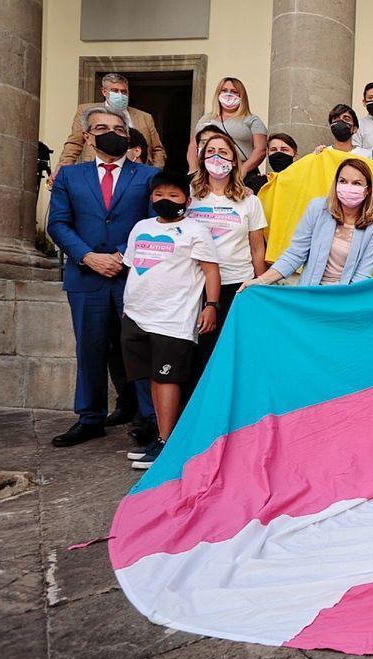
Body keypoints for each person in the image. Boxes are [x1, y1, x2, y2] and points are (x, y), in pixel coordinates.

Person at [47, 105, 160, 448]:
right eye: (102, 127)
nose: (112, 133)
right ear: (87, 136)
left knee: (138, 349)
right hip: (86, 277)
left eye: (119, 128)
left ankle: (147, 418)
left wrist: (122, 256)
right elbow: (58, 224)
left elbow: (154, 224)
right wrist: (88, 257)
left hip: (132, 276)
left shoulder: (147, 176)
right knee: (90, 348)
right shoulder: (69, 176)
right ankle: (90, 417)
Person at [121, 172, 220, 469]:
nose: (165, 200)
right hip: (137, 316)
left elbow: (211, 271)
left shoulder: (195, 230)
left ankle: (168, 444)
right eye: (159, 195)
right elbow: (132, 266)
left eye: (174, 196)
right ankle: (162, 438)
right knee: (152, 378)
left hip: (173, 319)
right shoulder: (141, 227)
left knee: (167, 379)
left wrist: (211, 305)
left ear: (187, 201)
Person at [187, 131, 268, 377]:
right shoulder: (189, 196)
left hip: (235, 283)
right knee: (196, 354)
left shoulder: (248, 200)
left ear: (234, 160)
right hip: (194, 284)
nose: (216, 157)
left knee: (229, 353)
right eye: (210, 152)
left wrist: (260, 284)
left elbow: (257, 247)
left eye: (223, 152)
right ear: (201, 158)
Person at [243, 158, 373, 287]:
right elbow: (295, 253)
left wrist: (335, 298)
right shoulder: (318, 208)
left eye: (356, 183)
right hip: (309, 294)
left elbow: (362, 275)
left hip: (344, 299)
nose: (348, 187)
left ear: (368, 190)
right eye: (343, 181)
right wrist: (261, 281)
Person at [55, 73, 165, 178]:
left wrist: (156, 172)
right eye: (115, 91)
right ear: (104, 91)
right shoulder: (87, 111)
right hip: (98, 172)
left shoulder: (144, 117)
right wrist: (61, 169)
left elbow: (158, 149)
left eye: (124, 92)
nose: (120, 95)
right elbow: (74, 144)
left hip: (138, 173)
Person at [187, 78, 267, 185]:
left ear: (241, 96)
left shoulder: (252, 120)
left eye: (234, 92)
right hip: (208, 173)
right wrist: (193, 169)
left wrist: (243, 170)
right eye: (224, 90)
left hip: (241, 174)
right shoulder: (205, 119)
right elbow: (193, 146)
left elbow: (261, 149)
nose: (228, 94)